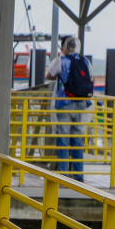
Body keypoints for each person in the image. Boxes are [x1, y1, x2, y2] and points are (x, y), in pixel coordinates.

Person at [47, 36, 93, 182]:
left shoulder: (62, 60)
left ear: (64, 47)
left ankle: (64, 175)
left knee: (63, 140)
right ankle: (78, 176)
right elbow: (90, 77)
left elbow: (50, 75)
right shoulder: (85, 61)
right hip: (82, 105)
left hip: (64, 103)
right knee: (77, 140)